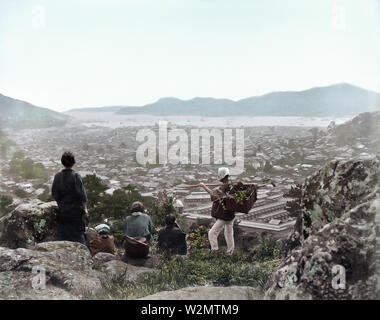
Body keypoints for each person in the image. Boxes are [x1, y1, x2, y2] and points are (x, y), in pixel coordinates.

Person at [52, 151, 88, 244]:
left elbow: (55, 194)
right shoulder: (76, 176)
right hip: (75, 212)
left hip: (63, 210)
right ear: (73, 162)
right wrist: (85, 209)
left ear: (62, 162)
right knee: (78, 236)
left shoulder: (57, 176)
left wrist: (61, 203)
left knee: (63, 236)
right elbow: (82, 195)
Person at [200, 167, 235, 255]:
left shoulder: (223, 187)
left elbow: (212, 194)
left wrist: (203, 186)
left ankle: (215, 250)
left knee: (212, 233)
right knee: (229, 234)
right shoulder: (231, 187)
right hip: (231, 214)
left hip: (224, 215)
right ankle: (230, 252)